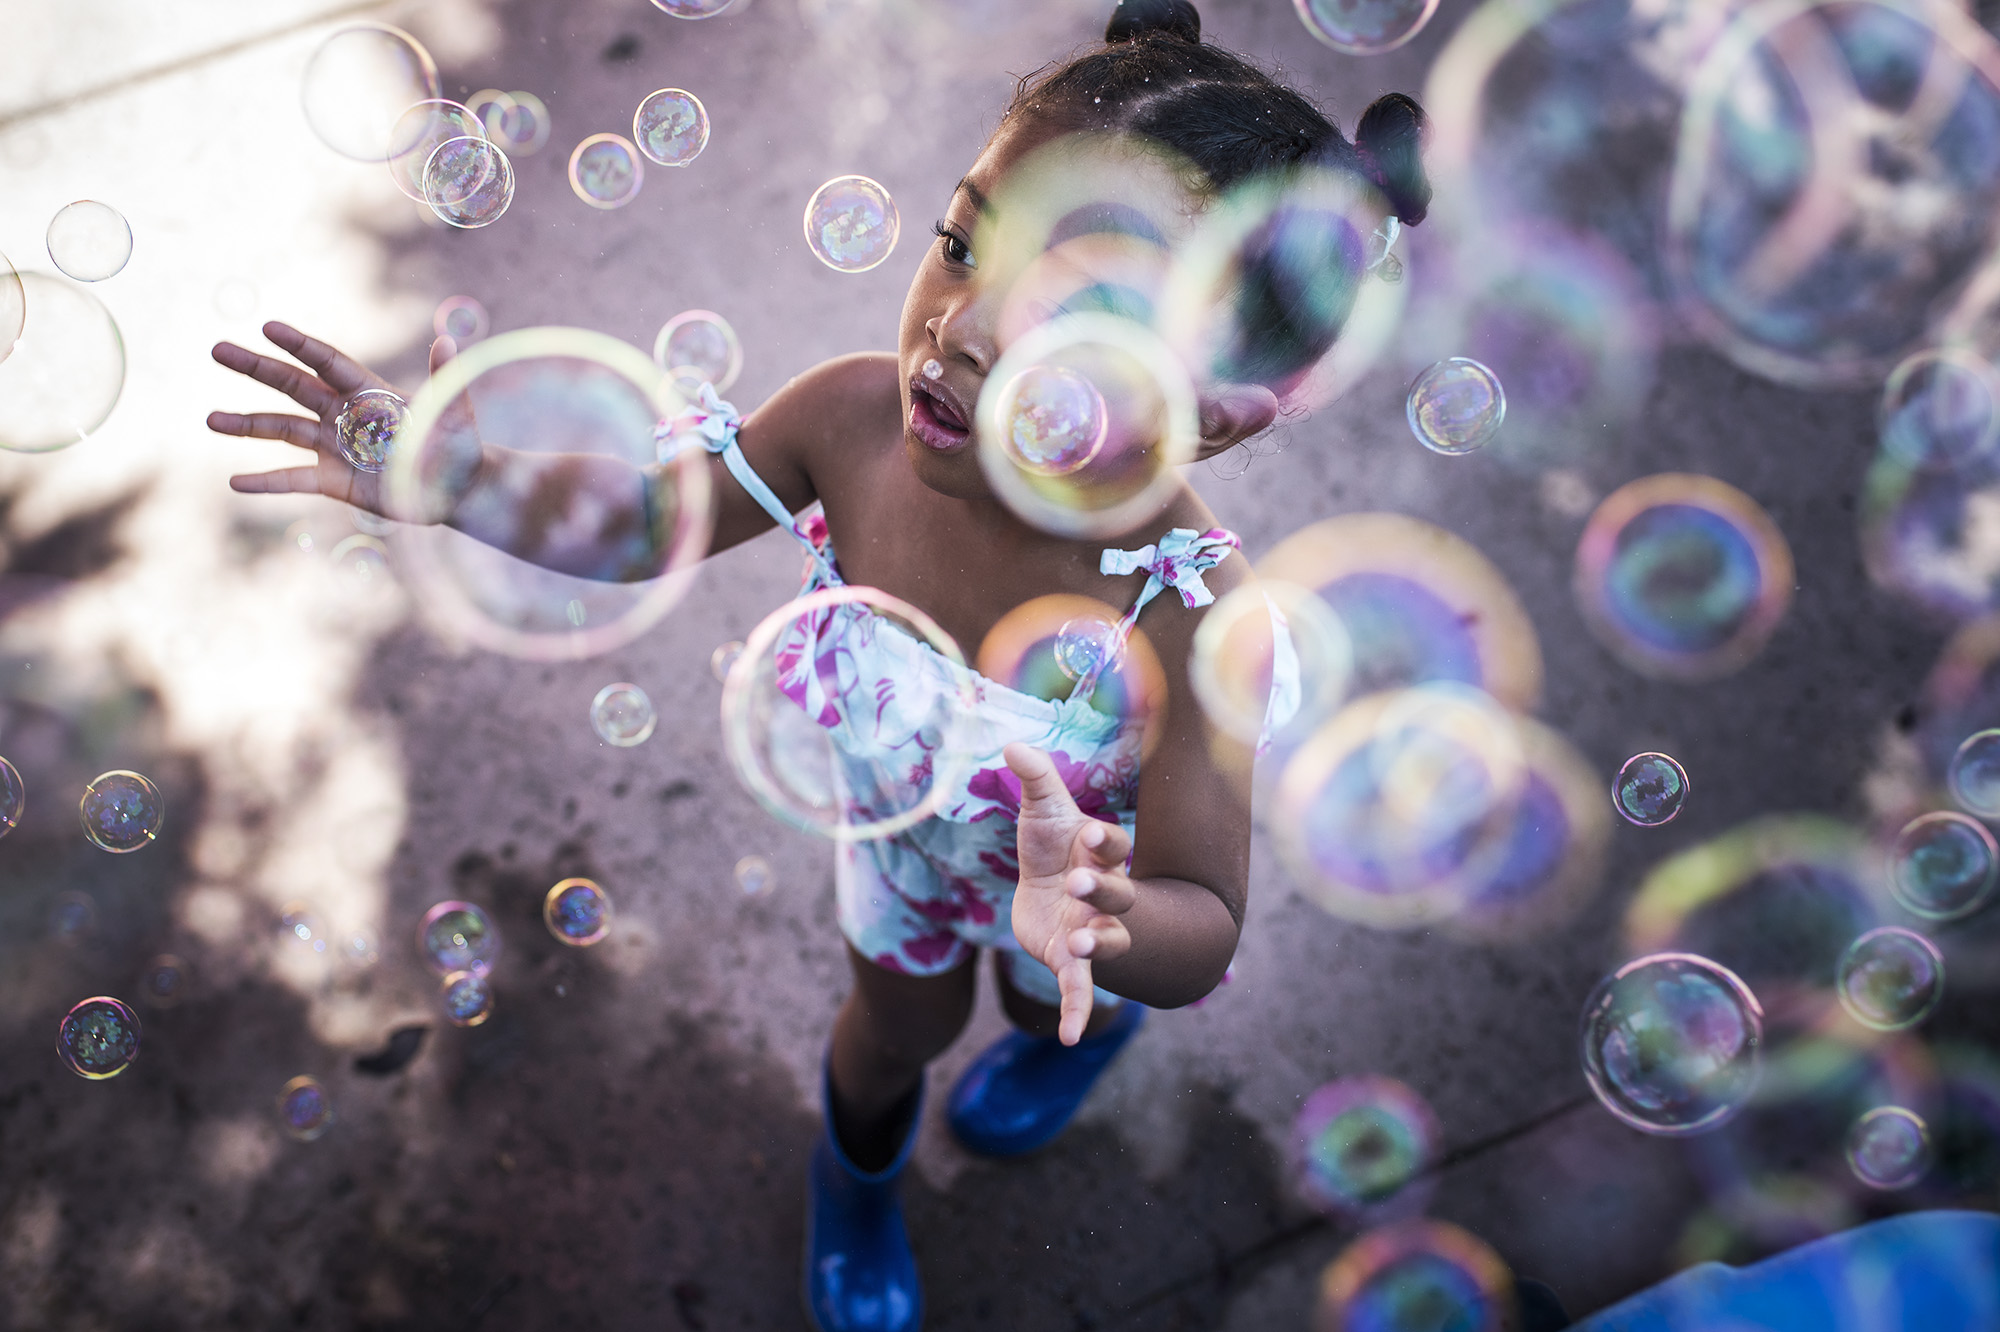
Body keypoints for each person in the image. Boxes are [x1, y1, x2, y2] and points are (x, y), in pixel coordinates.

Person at [205, 2, 1431, 1326]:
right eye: (964, 242)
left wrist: (1101, 916)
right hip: (897, 853)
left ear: (1213, 421)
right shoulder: (848, 421)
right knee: (888, 1032)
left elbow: (1202, 921)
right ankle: (855, 1180)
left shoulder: (1190, 620)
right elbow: (643, 523)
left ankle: (1070, 1030)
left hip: (1069, 886)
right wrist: (471, 483)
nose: (956, 330)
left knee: (1046, 1005)